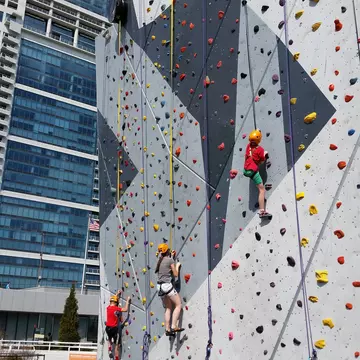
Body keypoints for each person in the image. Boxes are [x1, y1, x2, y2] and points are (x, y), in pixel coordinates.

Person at [155, 243, 184, 336]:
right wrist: (177, 266)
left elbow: (166, 266)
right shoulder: (170, 260)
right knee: (178, 305)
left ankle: (167, 329)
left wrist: (171, 257)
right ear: (167, 250)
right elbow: (175, 274)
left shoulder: (159, 260)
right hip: (166, 286)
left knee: (168, 308)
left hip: (159, 287)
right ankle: (173, 326)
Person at [243, 129, 271, 218]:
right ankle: (262, 211)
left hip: (246, 170)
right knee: (262, 190)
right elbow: (262, 161)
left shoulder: (248, 146)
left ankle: (262, 210)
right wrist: (265, 154)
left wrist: (257, 131)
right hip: (253, 170)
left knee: (259, 186)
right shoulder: (260, 150)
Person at [106, 290, 131, 360]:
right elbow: (125, 309)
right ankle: (116, 358)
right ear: (116, 302)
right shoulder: (116, 309)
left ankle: (110, 348)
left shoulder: (108, 308)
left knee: (109, 338)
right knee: (117, 346)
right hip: (114, 329)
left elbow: (114, 301)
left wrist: (116, 294)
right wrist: (127, 300)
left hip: (108, 328)